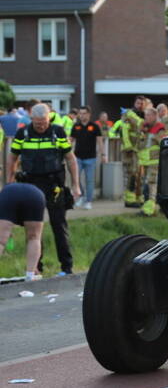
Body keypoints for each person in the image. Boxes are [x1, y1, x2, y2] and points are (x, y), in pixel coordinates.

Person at [7, 103, 80, 275]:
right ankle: (36, 269)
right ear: (31, 119)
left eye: (44, 122)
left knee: (59, 226)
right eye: (38, 122)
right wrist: (9, 181)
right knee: (33, 229)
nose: (41, 126)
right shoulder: (23, 133)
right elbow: (12, 158)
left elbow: (70, 159)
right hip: (31, 186)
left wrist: (76, 184)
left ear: (49, 118)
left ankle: (66, 268)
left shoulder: (58, 132)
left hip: (53, 185)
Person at [0, 182, 46, 280]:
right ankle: (30, 273)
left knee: (1, 240)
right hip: (36, 196)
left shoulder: (5, 192)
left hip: (9, 195)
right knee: (34, 238)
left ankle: (32, 271)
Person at [70, 106, 105, 209]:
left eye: (84, 113)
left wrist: (103, 154)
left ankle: (88, 201)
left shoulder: (94, 126)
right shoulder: (76, 126)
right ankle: (81, 197)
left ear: (89, 114)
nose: (82, 115)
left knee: (89, 180)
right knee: (76, 179)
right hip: (77, 158)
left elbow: (100, 141)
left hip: (91, 158)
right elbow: (70, 140)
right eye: (80, 113)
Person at [138, 107, 167, 216]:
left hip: (154, 162)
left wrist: (153, 136)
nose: (146, 118)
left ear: (155, 116)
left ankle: (149, 211)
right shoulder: (145, 128)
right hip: (144, 162)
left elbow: (162, 142)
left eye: (149, 115)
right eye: (145, 116)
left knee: (152, 185)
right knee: (146, 186)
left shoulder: (160, 128)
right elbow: (141, 144)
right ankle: (148, 208)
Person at [118, 97, 146, 207]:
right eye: (138, 103)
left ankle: (138, 198)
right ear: (134, 103)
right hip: (130, 150)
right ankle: (129, 200)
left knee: (139, 176)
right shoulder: (129, 115)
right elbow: (124, 131)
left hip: (139, 150)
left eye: (142, 103)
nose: (140, 105)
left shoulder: (143, 115)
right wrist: (128, 146)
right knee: (131, 174)